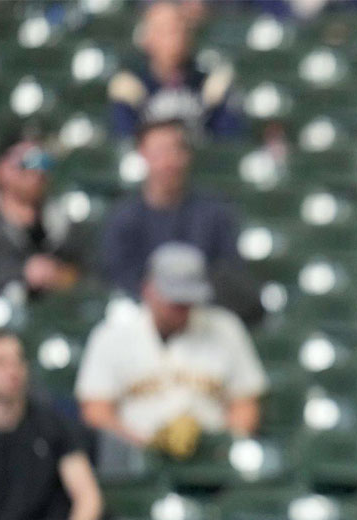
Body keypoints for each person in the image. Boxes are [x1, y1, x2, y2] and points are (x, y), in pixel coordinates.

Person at [75, 242, 267, 453]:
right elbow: (96, 412)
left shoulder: (225, 327)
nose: (182, 307)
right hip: (138, 458)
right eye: (174, 299)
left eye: (187, 299)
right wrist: (147, 445)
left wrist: (220, 446)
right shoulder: (111, 335)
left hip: (211, 456)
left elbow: (246, 405)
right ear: (148, 289)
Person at [0, 330, 102, 520]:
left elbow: (88, 498)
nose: (13, 371)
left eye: (18, 360)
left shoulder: (54, 425)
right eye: (0, 363)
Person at [101, 120, 258, 321]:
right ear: (143, 154)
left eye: (175, 150)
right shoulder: (122, 217)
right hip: (140, 323)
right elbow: (115, 278)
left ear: (188, 155)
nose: (168, 161)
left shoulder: (215, 213)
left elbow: (230, 274)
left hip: (205, 322)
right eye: (159, 152)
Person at [0, 135, 85, 293]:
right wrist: (22, 273)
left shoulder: (65, 222)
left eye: (43, 162)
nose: (36, 171)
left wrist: (60, 275)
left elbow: (91, 274)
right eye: (25, 162)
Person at [108, 0, 240, 139]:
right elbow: (125, 140)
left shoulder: (211, 85)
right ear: (146, 38)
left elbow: (225, 141)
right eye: (167, 31)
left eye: (183, 29)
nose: (178, 38)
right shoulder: (130, 87)